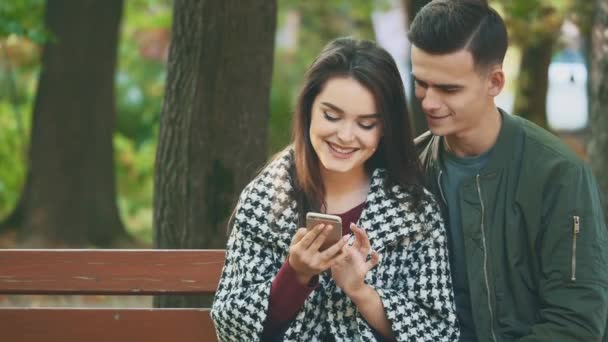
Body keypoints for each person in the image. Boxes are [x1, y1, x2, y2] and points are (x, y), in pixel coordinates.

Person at [211, 37, 459, 341]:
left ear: (385, 128)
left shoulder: (414, 210)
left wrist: (360, 291)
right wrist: (295, 273)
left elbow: (438, 333)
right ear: (308, 110)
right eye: (331, 115)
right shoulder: (265, 197)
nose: (345, 136)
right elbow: (229, 327)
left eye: (366, 124)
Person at [409, 1, 608, 341]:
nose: (428, 101)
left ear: (495, 82)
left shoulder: (558, 174)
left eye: (448, 88)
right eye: (422, 83)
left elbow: (576, 322)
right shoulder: (409, 169)